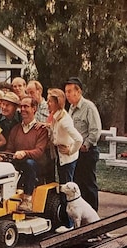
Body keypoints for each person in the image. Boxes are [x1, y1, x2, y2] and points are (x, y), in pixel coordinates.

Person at [0, 96, 48, 211]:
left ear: (34, 108)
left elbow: (39, 151)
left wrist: (24, 153)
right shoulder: (16, 129)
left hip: (36, 164)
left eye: (26, 106)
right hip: (18, 161)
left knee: (29, 164)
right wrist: (2, 155)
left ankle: (27, 199)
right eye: (21, 106)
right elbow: (10, 148)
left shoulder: (41, 129)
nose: (23, 109)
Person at [46, 88, 83, 233]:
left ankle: (70, 224)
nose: (48, 103)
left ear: (57, 102)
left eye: (50, 101)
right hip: (60, 157)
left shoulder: (64, 120)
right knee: (63, 188)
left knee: (67, 190)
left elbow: (79, 139)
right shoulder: (56, 116)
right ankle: (66, 221)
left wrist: (71, 150)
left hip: (67, 160)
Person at [64, 77, 102, 212]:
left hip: (87, 152)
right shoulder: (71, 108)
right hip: (74, 152)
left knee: (88, 184)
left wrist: (85, 145)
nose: (67, 95)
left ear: (78, 91)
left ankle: (93, 217)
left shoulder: (88, 107)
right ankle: (82, 215)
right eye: (66, 92)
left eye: (69, 91)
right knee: (77, 184)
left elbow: (95, 130)